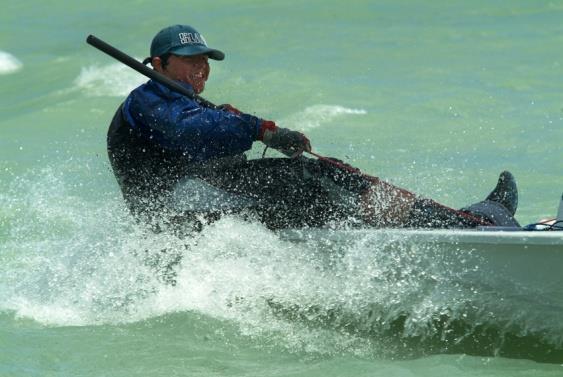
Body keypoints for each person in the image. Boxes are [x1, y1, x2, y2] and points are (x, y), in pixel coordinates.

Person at [107, 24, 519, 231]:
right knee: (305, 179)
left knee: (327, 172)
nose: (200, 69)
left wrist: (247, 129)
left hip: (206, 202)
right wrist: (258, 130)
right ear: (158, 64)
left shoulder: (191, 105)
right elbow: (191, 132)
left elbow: (210, 139)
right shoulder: (146, 102)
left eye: (204, 61)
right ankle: (452, 228)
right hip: (176, 217)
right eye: (188, 60)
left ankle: (447, 224)